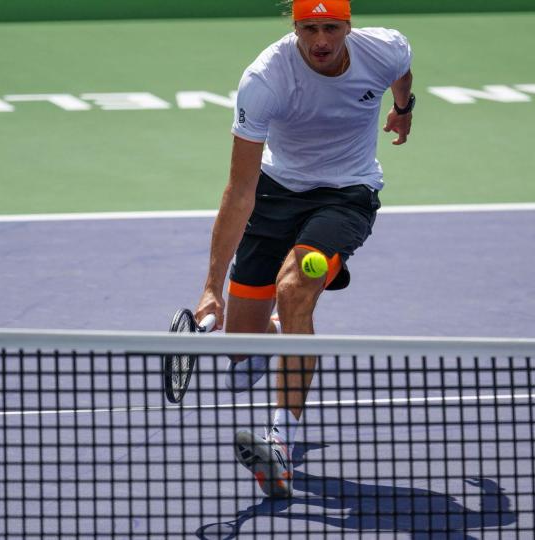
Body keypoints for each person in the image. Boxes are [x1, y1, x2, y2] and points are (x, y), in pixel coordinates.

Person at [194, 0, 414, 497]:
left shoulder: (385, 49)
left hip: (347, 194)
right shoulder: (266, 78)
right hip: (275, 192)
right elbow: (239, 189)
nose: (320, 40)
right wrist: (211, 288)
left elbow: (402, 73)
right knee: (241, 350)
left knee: (296, 286)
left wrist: (403, 109)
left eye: (330, 28)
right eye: (309, 28)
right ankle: (270, 333)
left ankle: (280, 442)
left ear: (347, 27)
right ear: (294, 28)